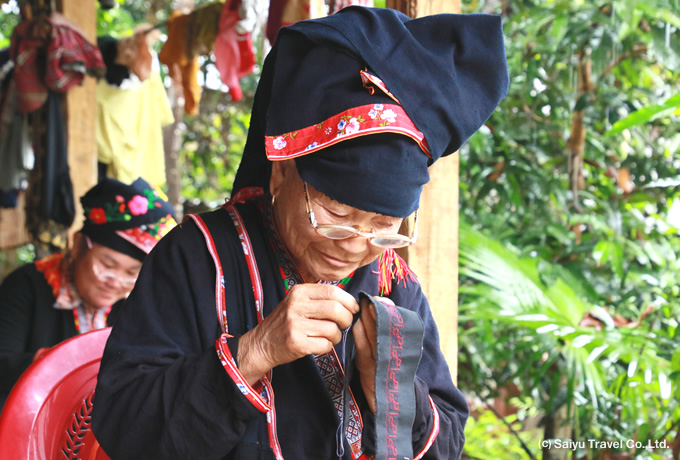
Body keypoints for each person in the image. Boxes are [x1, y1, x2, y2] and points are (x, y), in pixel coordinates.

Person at [91, 6, 509, 460]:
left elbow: (448, 442)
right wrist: (253, 352)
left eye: (384, 226)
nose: (354, 245)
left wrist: (389, 395)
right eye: (335, 212)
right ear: (281, 173)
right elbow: (123, 427)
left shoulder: (394, 282)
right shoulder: (199, 255)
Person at [0, 177, 176, 409]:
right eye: (107, 266)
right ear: (78, 245)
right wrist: (62, 361)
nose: (115, 282)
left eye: (132, 273)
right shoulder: (27, 285)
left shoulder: (136, 303)